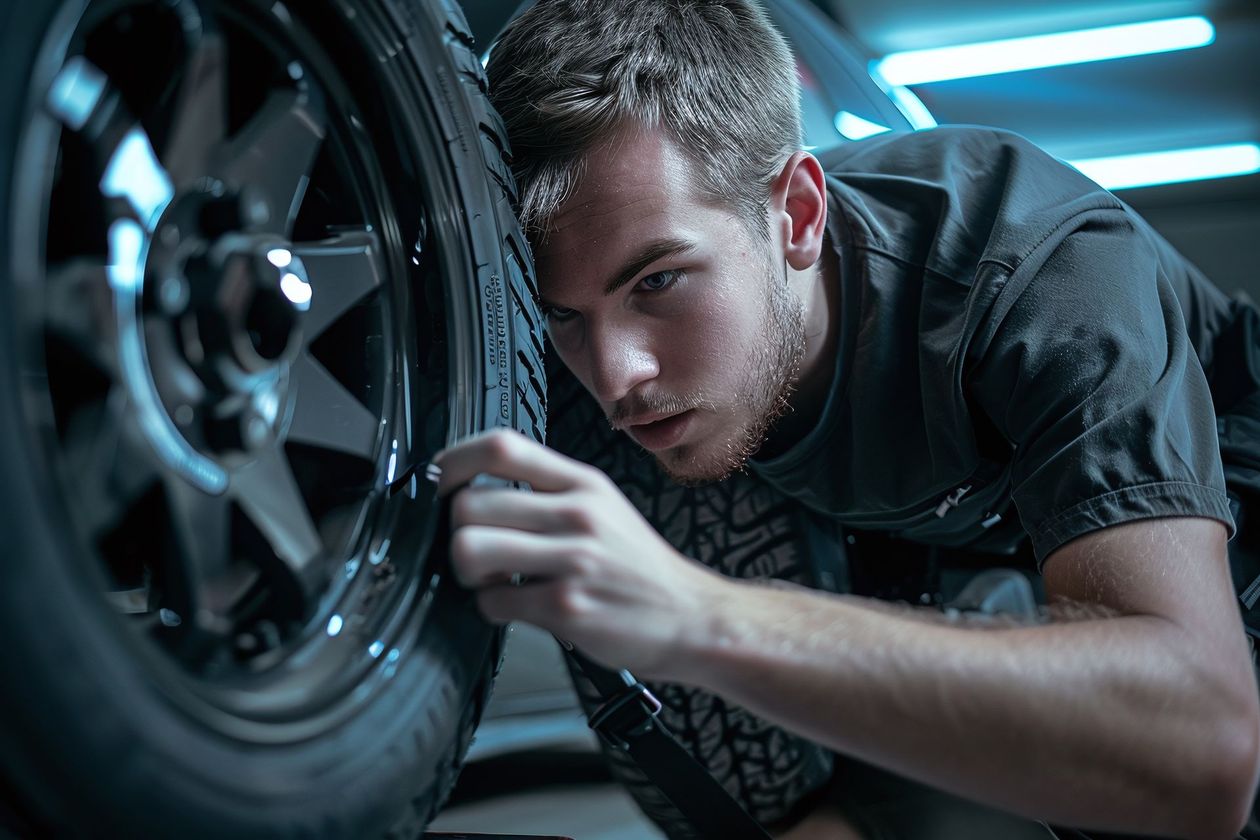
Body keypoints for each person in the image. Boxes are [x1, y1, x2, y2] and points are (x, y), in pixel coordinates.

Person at [433, 0, 1260, 836]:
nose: (616, 378)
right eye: (563, 316)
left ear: (796, 215)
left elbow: (1203, 753)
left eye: (658, 283)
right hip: (932, 535)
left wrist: (693, 612)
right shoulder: (617, 366)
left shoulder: (1042, 272)